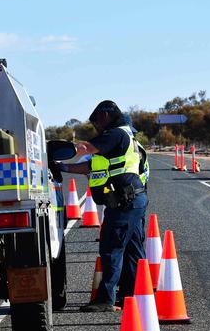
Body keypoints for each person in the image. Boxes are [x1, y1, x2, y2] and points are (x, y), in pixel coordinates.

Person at [58, 100, 148, 312]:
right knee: (133, 249)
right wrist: (63, 166)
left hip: (124, 200)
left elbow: (85, 148)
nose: (96, 126)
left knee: (111, 248)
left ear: (107, 115)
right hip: (134, 198)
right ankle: (132, 296)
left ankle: (105, 299)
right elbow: (90, 165)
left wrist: (57, 152)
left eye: (96, 121)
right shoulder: (125, 138)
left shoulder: (115, 133)